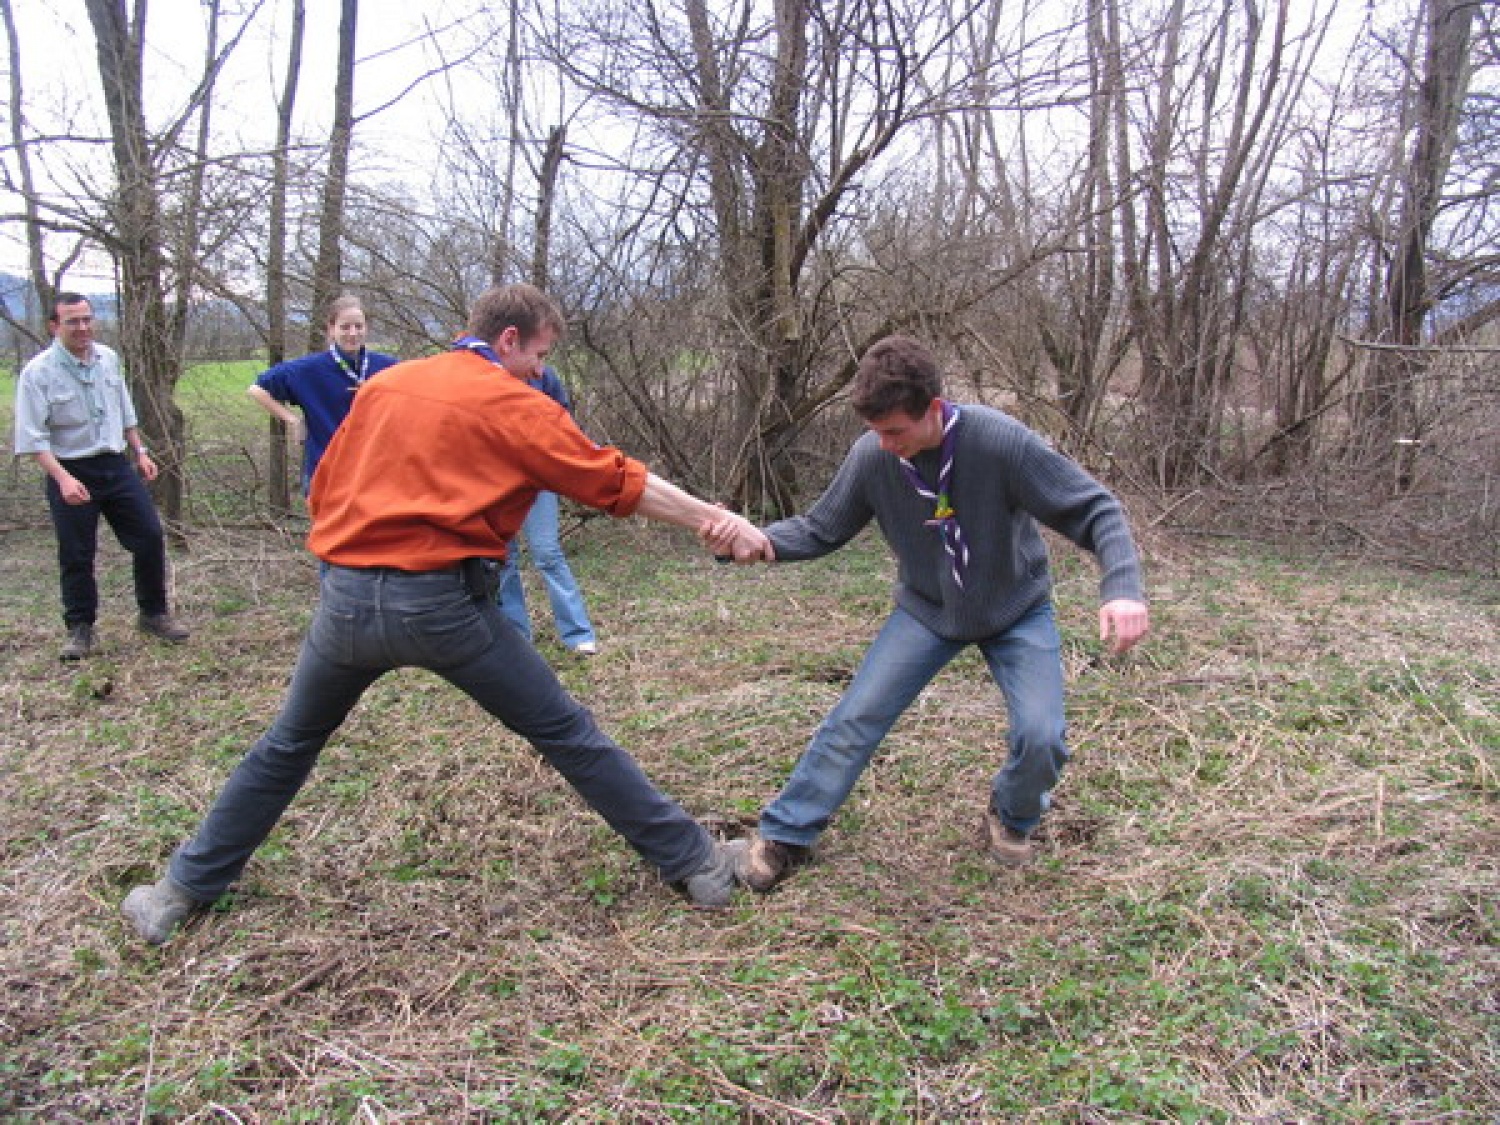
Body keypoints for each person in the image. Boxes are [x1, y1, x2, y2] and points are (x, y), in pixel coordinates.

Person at [120, 283, 770, 944]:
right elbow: (615, 479)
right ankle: (698, 862)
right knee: (567, 733)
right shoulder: (512, 400)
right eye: (539, 353)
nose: (542, 370)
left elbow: (321, 486)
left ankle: (178, 893)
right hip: (441, 607)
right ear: (508, 340)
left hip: (343, 604)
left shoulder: (386, 386)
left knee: (286, 745)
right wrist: (713, 518)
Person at [704, 335, 1149, 891]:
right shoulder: (873, 455)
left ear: (933, 409)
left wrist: (1123, 586)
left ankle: (1011, 815)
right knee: (855, 717)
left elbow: (1095, 507)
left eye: (895, 431)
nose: (884, 444)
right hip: (929, 610)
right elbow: (821, 529)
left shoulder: (997, 442)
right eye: (875, 431)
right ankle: (784, 836)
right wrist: (752, 541)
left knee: (1042, 734)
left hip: (1015, 608)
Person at [13, 292, 190, 660]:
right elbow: (32, 438)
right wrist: (62, 479)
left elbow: (124, 409)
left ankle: (153, 614)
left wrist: (139, 451)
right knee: (77, 553)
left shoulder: (107, 359)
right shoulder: (38, 372)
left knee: (148, 536)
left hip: (115, 464)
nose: (82, 328)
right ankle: (80, 629)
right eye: (72, 321)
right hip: (70, 469)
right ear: (54, 326)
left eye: (86, 319)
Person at [496, 365, 600, 655]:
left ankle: (578, 635)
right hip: (496, 481)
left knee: (547, 552)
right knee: (503, 558)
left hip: (539, 479)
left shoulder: (545, 377)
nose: (538, 360)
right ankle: (516, 640)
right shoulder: (484, 376)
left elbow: (564, 426)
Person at [247, 295, 399, 494]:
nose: (353, 333)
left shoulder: (388, 366)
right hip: (326, 474)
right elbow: (257, 389)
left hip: (374, 474)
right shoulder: (308, 369)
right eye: (345, 327)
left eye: (358, 326)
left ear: (366, 328)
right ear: (331, 329)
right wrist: (292, 420)